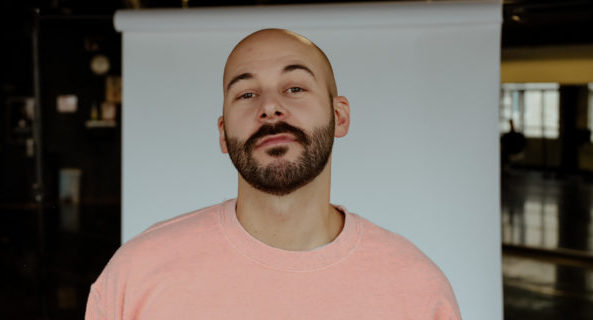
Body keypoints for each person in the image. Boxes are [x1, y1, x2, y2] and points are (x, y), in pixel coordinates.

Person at [85, 28, 461, 319]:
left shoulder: (417, 288)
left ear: (340, 116)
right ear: (222, 133)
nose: (270, 107)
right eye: (246, 94)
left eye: (294, 87)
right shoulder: (136, 274)